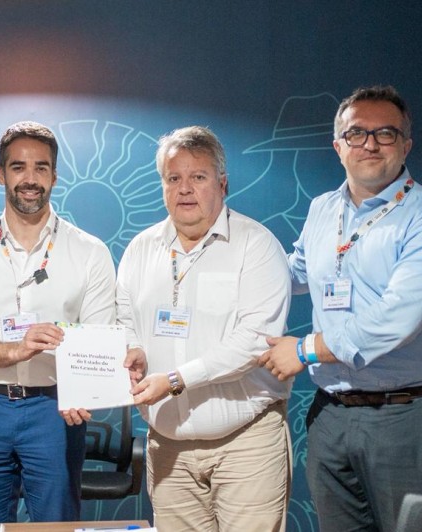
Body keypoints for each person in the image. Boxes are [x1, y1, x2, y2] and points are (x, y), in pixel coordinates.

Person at [260, 85, 422, 532]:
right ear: (338, 146)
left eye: (385, 134)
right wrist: (232, 270)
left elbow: (396, 317)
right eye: (356, 133)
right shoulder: (323, 209)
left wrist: (306, 350)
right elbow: (293, 275)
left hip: (405, 416)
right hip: (331, 413)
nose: (369, 144)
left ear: (406, 144)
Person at [119, 126, 293, 531]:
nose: (185, 189)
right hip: (168, 448)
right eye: (173, 178)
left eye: (198, 177)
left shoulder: (257, 245)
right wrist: (134, 349)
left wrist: (177, 380)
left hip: (245, 444)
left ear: (222, 183)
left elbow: (253, 341)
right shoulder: (140, 249)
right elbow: (124, 319)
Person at [0, 121, 116, 523]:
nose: (30, 179)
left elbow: (99, 338)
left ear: (54, 176)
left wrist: (84, 390)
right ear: (1, 174)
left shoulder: (89, 251)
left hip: (54, 409)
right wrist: (15, 350)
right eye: (18, 167)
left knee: (56, 524)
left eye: (41, 168)